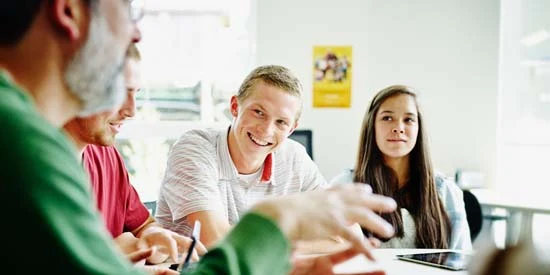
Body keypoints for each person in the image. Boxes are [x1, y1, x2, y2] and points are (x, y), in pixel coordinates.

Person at [1, 1, 397, 274]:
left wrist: (287, 265)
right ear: (69, 11)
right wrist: (277, 221)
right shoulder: (21, 142)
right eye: (129, 11)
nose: (136, 32)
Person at [64, 44, 206, 265]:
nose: (131, 110)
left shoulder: (107, 155)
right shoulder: (28, 165)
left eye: (135, 93)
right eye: (120, 93)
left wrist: (151, 240)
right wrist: (108, 256)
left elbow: (143, 226)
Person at [156, 65, 327, 247]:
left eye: (281, 122)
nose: (266, 130)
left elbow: (344, 234)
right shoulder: (194, 148)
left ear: (292, 128)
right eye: (258, 112)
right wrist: (297, 242)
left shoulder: (294, 157)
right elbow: (217, 241)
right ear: (235, 106)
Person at [331, 85, 472, 250]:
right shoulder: (345, 187)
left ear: (418, 128)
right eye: (387, 118)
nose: (398, 127)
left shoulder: (445, 190)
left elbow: (461, 261)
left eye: (408, 119)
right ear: (372, 126)